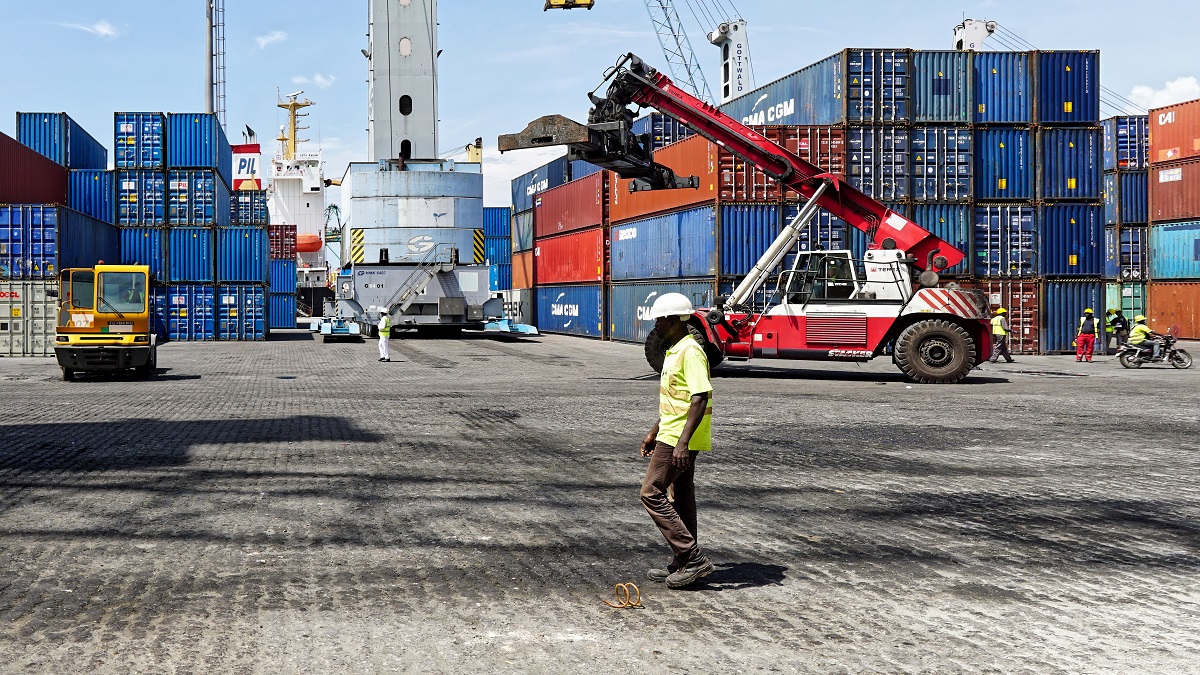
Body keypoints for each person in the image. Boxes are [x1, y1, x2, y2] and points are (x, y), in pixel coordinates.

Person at [639, 292, 715, 589]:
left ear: (673, 320)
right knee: (681, 494)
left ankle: (693, 557)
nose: (655, 325)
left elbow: (699, 397)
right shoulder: (674, 349)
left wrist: (682, 443)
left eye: (658, 319)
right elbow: (678, 398)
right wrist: (654, 430)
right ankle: (683, 562)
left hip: (679, 438)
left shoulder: (691, 351)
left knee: (651, 493)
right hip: (671, 432)